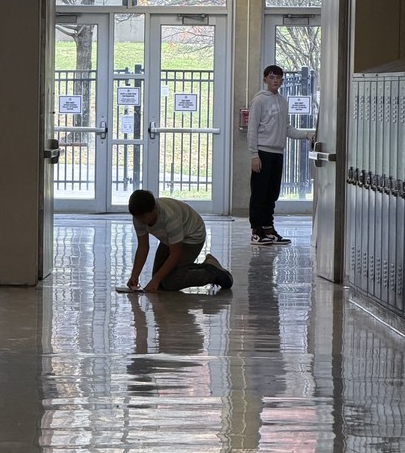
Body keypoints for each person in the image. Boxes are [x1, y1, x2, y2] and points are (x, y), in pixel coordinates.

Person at [247, 64, 315, 246]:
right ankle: (257, 231)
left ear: (282, 81)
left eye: (278, 78)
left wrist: (306, 134)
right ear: (265, 80)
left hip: (277, 153)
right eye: (271, 77)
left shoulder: (283, 101)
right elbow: (252, 129)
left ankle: (269, 229)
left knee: (272, 194)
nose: (275, 81)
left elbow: (287, 128)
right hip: (263, 152)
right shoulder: (259, 101)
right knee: (259, 193)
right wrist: (254, 155)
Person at [126, 189, 232, 292]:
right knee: (159, 277)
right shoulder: (138, 216)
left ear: (154, 209)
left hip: (192, 237)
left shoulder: (170, 217)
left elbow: (175, 254)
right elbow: (143, 247)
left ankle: (212, 271)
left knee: (170, 283)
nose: (140, 220)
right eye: (137, 217)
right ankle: (187, 268)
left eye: (143, 216)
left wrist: (155, 280)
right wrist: (134, 277)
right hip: (169, 239)